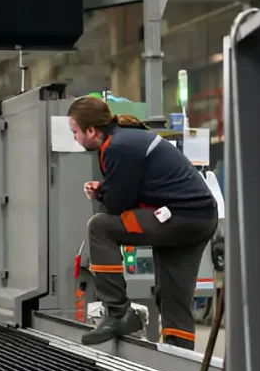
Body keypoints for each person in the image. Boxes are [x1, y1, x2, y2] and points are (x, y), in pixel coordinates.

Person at [67, 96, 218, 349]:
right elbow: (135, 187)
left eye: (75, 132)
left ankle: (118, 313)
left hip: (180, 217)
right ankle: (178, 364)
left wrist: (102, 193)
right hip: (199, 218)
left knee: (100, 227)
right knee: (173, 296)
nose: (74, 138)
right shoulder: (127, 138)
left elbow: (116, 205)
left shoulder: (116, 147)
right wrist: (106, 189)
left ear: (91, 130)